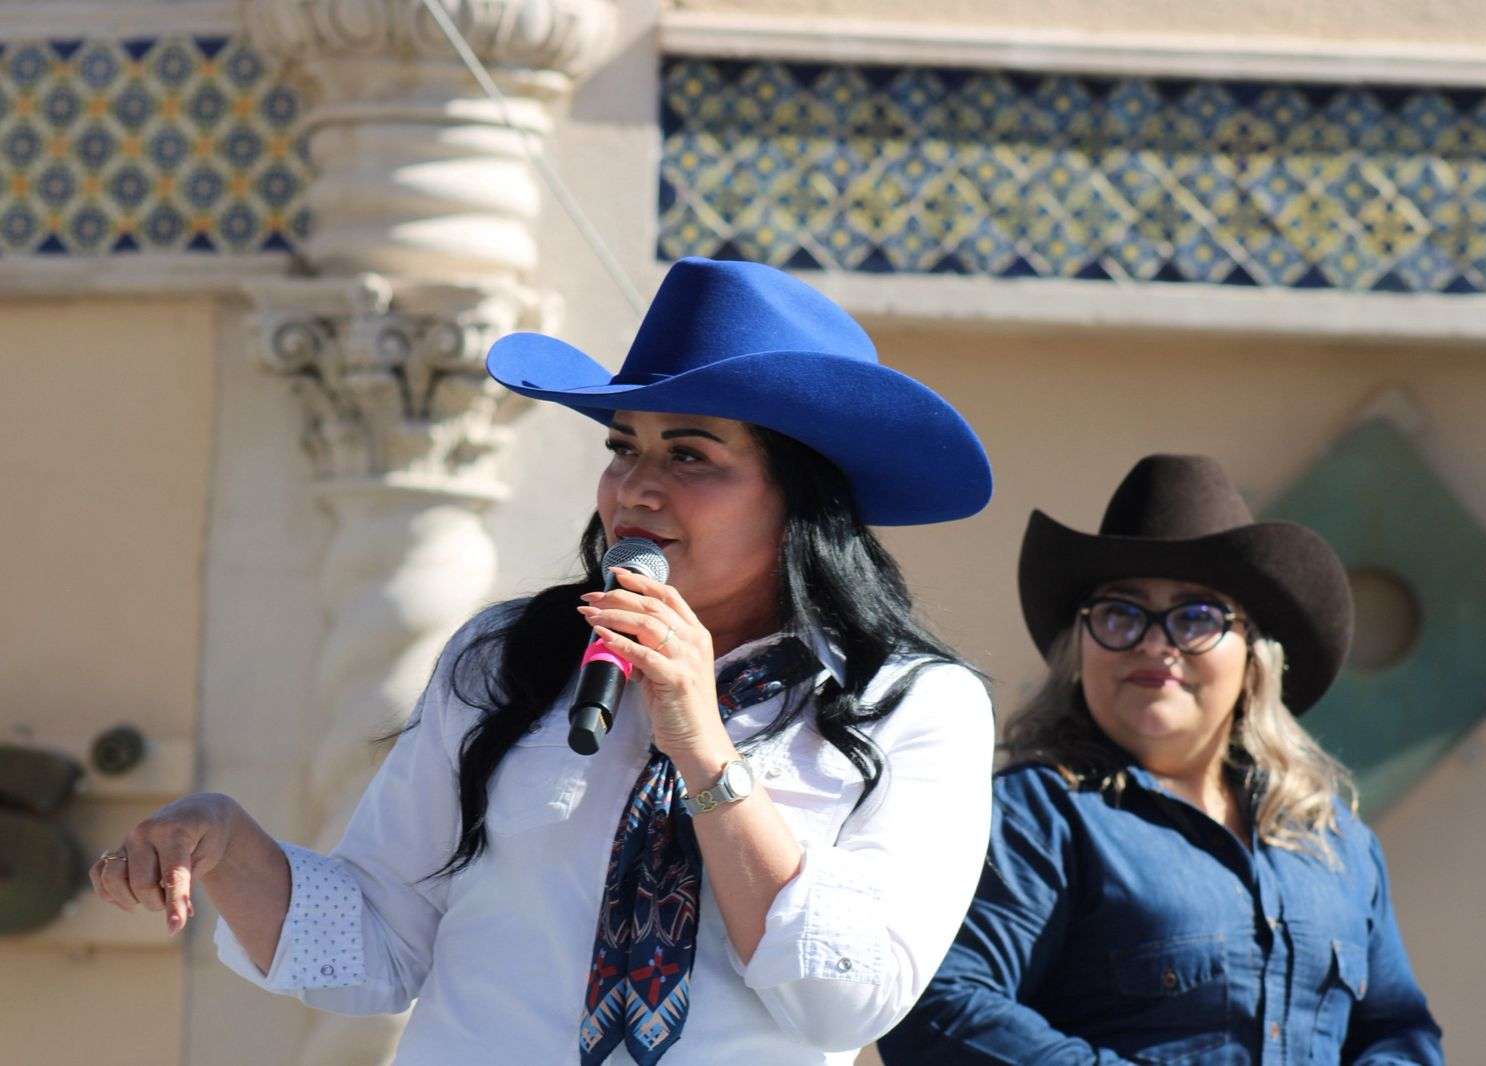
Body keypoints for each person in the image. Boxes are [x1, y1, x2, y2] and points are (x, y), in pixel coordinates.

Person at [89, 258, 998, 1065]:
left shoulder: (914, 704)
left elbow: (850, 1001)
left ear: (803, 496)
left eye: (690, 454)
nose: (637, 488)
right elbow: (379, 943)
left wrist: (705, 752)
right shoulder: (509, 656)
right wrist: (225, 841)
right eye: (623, 447)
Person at [879, 454, 1443, 1064]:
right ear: (1079, 650)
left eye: (1196, 617)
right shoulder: (1034, 818)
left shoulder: (1335, 841)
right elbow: (940, 1008)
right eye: (1120, 613)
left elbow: (1398, 1034)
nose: (1154, 643)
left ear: (1255, 656)